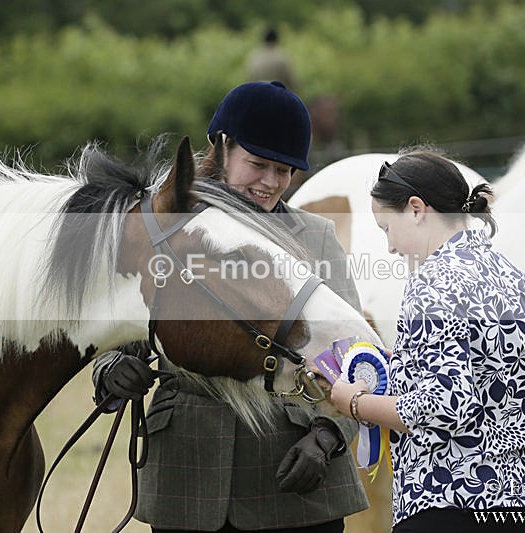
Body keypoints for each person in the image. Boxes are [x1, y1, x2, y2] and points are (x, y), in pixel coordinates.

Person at [92, 81, 368, 532]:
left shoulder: (316, 237)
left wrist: (327, 435)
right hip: (188, 469)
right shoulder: (172, 225)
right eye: (257, 164)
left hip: (289, 465)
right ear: (220, 149)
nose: (270, 182)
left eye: (284, 171)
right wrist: (111, 368)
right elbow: (123, 319)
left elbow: (354, 356)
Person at [330, 149, 525, 532]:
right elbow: (492, 378)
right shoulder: (516, 279)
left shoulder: (431, 282)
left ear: (416, 209)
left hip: (452, 499)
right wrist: (405, 363)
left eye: (387, 228)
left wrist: (355, 403)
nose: (390, 247)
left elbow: (445, 405)